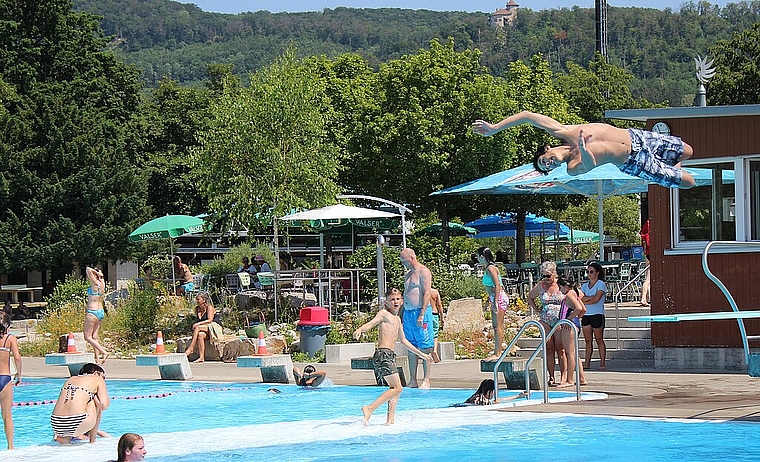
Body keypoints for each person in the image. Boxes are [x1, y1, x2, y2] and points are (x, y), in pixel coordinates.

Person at [472, 111, 695, 188]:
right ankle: (670, 168)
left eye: (544, 160)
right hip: (633, 162)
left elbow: (528, 116)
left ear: (547, 149)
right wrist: (585, 150)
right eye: (547, 168)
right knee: (688, 182)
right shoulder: (571, 167)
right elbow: (588, 165)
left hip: (636, 137)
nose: (548, 164)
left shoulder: (563, 131)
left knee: (688, 151)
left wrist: (494, 128)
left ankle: (672, 163)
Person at [353, 288, 433, 426]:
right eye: (392, 299)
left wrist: (423, 355)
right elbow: (371, 323)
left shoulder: (397, 320)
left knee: (396, 389)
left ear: (402, 301)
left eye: (397, 299)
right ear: (387, 302)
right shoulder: (384, 314)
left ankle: (390, 420)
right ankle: (369, 408)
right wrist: (360, 329)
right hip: (382, 354)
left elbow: (405, 341)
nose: (395, 301)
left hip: (389, 356)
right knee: (397, 388)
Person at [398, 248, 435, 389]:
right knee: (411, 347)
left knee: (424, 347)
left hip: (421, 313)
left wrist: (422, 313)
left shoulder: (423, 272)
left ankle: (426, 379)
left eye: (404, 260)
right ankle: (413, 380)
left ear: (412, 257)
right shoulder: (408, 275)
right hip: (408, 314)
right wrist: (399, 315)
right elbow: (406, 295)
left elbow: (426, 294)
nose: (403, 263)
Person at [526, 261, 566, 386]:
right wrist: (537, 309)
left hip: (560, 319)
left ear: (554, 273)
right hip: (545, 319)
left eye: (548, 276)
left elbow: (576, 295)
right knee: (549, 348)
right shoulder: (541, 286)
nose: (546, 279)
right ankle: (551, 376)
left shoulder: (561, 284)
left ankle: (564, 376)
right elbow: (530, 297)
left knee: (561, 349)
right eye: (543, 276)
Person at [51, 362, 110, 444]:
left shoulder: (70, 379)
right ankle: (92, 441)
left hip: (56, 424)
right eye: (104, 377)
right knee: (96, 403)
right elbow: (104, 405)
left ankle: (65, 440)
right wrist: (95, 397)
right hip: (78, 421)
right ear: (97, 373)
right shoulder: (97, 378)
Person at [476, 247, 510, 360]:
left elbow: (497, 285)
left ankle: (498, 353)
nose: (477, 259)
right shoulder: (489, 268)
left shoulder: (491, 269)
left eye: (477, 257)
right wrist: (488, 301)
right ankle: (497, 351)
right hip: (495, 297)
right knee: (496, 326)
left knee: (497, 326)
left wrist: (495, 302)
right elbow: (491, 287)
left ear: (482, 257)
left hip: (499, 298)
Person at [557, 276, 587, 387]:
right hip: (575, 325)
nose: (560, 290)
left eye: (560, 287)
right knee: (574, 354)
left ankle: (569, 380)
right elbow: (583, 309)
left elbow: (579, 308)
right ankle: (582, 378)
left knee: (570, 354)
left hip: (569, 327)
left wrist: (568, 319)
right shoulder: (575, 293)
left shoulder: (569, 294)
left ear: (564, 286)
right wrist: (576, 318)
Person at [581, 262, 608, 370]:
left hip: (597, 314)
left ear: (597, 273)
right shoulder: (584, 286)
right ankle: (587, 362)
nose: (589, 273)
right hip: (586, 314)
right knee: (588, 341)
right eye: (587, 271)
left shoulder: (601, 284)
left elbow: (597, 299)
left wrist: (587, 299)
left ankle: (602, 362)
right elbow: (580, 299)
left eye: (591, 271)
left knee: (599, 339)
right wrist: (589, 298)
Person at [1, 312, 22, 450]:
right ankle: (10, 447)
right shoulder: (10, 338)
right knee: (7, 415)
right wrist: (19, 375)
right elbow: (17, 358)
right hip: (4, 377)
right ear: (7, 325)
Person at [184, 292, 223, 363]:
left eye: (198, 299)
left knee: (197, 328)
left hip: (214, 326)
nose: (197, 301)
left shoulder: (209, 307)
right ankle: (201, 357)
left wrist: (198, 324)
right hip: (205, 329)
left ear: (204, 300)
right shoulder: (197, 309)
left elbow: (210, 320)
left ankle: (191, 348)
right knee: (200, 335)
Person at [85, 266, 109, 364]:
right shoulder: (102, 283)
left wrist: (96, 272)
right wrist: (101, 275)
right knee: (94, 336)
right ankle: (97, 359)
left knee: (87, 337)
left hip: (92, 311)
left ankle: (104, 352)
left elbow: (87, 269)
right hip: (100, 311)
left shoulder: (94, 283)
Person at [460, 379, 529, 406]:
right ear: (488, 391)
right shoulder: (479, 399)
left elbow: (501, 400)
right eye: (494, 391)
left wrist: (519, 396)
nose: (495, 394)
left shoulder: (479, 396)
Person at [429, 287, 444, 363]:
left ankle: (428, 353)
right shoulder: (435, 292)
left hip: (426, 315)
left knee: (427, 334)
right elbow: (439, 305)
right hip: (434, 314)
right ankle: (434, 350)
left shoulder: (423, 292)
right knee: (435, 335)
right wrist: (442, 318)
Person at [639, 218, 651, 307]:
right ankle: (643, 298)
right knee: (648, 279)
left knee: (648, 278)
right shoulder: (653, 224)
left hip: (647, 253)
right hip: (652, 253)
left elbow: (641, 234)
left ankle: (645, 297)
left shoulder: (647, 224)